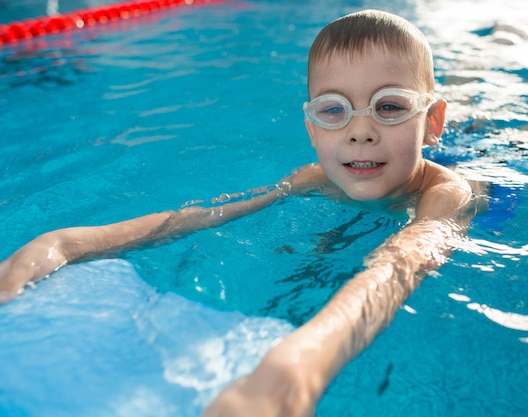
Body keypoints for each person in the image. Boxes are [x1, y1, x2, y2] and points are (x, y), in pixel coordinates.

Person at [0, 9, 483, 417]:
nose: (361, 131)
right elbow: (204, 215)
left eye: (390, 106)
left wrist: (299, 367)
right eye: (335, 111)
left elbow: (397, 267)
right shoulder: (313, 177)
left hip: (480, 165)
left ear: (431, 121)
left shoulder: (446, 195)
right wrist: (69, 242)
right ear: (313, 128)